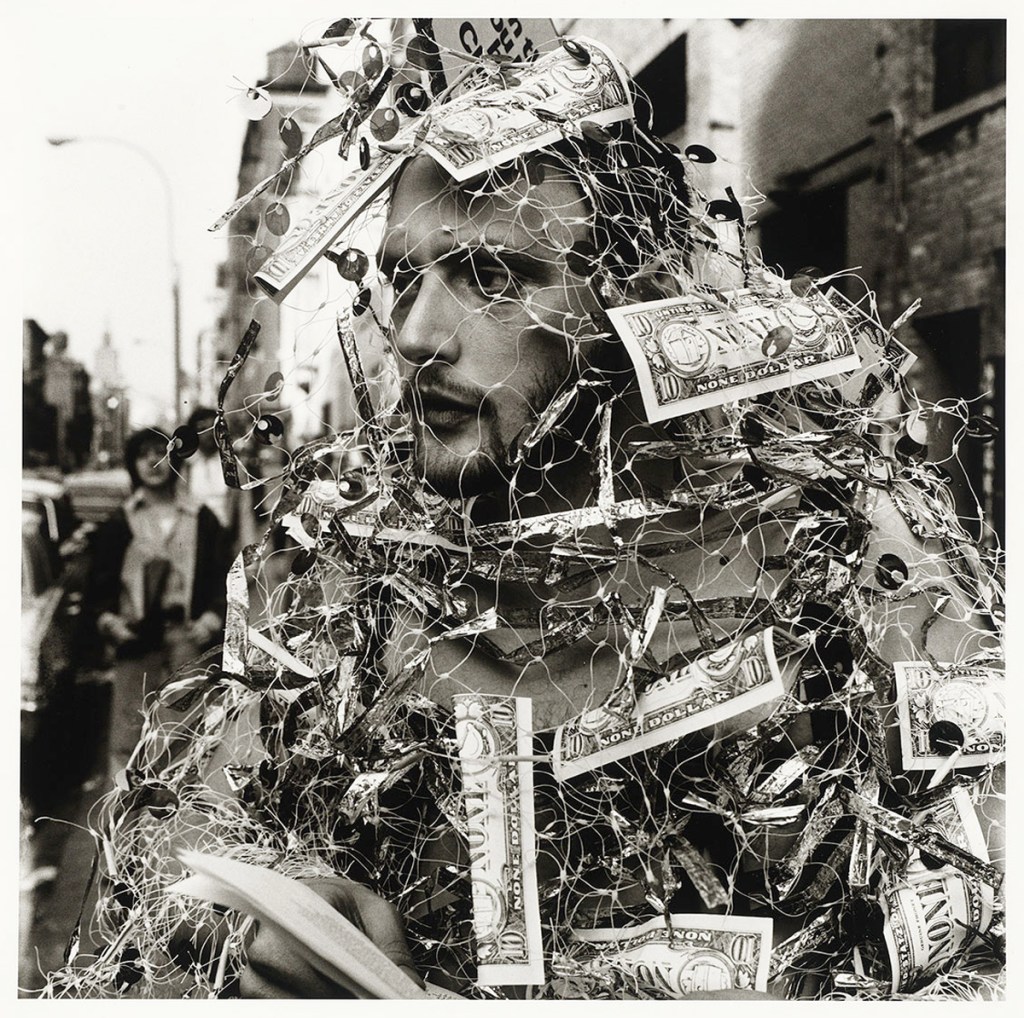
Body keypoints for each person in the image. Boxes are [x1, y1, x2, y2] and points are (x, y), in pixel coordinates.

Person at [50, 29, 1003, 1002]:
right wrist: (258, 923)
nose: (417, 333)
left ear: (631, 296)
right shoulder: (349, 584)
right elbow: (182, 867)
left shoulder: (837, 568)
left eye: (493, 276)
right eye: (404, 277)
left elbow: (989, 930)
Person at [85, 427, 228, 775]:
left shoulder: (202, 518)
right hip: (135, 641)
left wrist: (212, 617)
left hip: (186, 639)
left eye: (160, 452)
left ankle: (177, 806)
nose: (153, 461)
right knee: (128, 737)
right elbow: (99, 585)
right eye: (143, 454)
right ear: (132, 465)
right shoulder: (121, 520)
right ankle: (123, 809)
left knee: (186, 733)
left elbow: (224, 576)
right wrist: (109, 622)